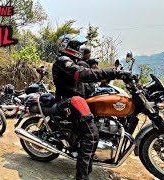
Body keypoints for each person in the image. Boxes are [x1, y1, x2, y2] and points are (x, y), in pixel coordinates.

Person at [52, 34, 131, 180]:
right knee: (91, 134)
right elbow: (82, 74)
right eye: (76, 46)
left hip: (79, 99)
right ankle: (81, 177)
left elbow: (86, 83)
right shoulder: (63, 61)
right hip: (68, 101)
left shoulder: (74, 61)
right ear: (67, 47)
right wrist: (114, 73)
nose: (79, 49)